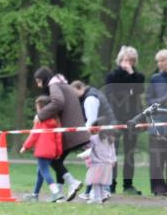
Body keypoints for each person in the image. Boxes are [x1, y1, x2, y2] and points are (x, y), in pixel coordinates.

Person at [34, 67, 88, 202]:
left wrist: (40, 115)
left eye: (39, 81)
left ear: (45, 79)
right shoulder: (63, 85)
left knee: (53, 160)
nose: (39, 85)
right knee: (58, 160)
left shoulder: (54, 85)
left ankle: (72, 183)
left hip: (68, 132)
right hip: (74, 130)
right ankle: (59, 194)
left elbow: (58, 102)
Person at [104, 46, 145, 194]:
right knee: (112, 152)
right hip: (115, 118)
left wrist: (131, 74)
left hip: (132, 119)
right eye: (125, 60)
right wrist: (129, 91)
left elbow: (139, 90)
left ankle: (128, 185)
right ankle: (111, 184)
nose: (128, 63)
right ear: (120, 60)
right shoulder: (112, 76)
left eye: (131, 60)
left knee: (130, 153)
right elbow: (110, 93)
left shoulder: (138, 76)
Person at [70, 79, 115, 199]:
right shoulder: (92, 94)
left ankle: (104, 191)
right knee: (97, 164)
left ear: (80, 88)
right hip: (105, 132)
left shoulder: (90, 99)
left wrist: (84, 135)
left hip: (101, 134)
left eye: (74, 93)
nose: (74, 97)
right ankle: (91, 192)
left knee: (97, 163)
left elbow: (91, 119)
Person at [19, 96, 63, 202]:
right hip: (51, 151)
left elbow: (34, 135)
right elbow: (58, 137)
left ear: (42, 108)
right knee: (40, 172)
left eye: (37, 107)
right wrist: (58, 151)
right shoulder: (55, 121)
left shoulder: (39, 120)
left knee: (45, 172)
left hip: (42, 151)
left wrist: (25, 146)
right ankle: (35, 195)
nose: (37, 110)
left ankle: (57, 193)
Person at [146, 49, 167, 196]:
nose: (159, 64)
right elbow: (149, 100)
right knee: (157, 158)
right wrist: (162, 100)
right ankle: (158, 188)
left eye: (162, 60)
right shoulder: (155, 79)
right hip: (158, 124)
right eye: (158, 61)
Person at [80, 130, 116, 205]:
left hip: (97, 164)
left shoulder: (94, 138)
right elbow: (113, 151)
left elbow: (88, 149)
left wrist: (82, 155)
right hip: (107, 164)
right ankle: (102, 196)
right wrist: (113, 160)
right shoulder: (110, 138)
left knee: (95, 182)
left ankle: (97, 198)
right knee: (101, 182)